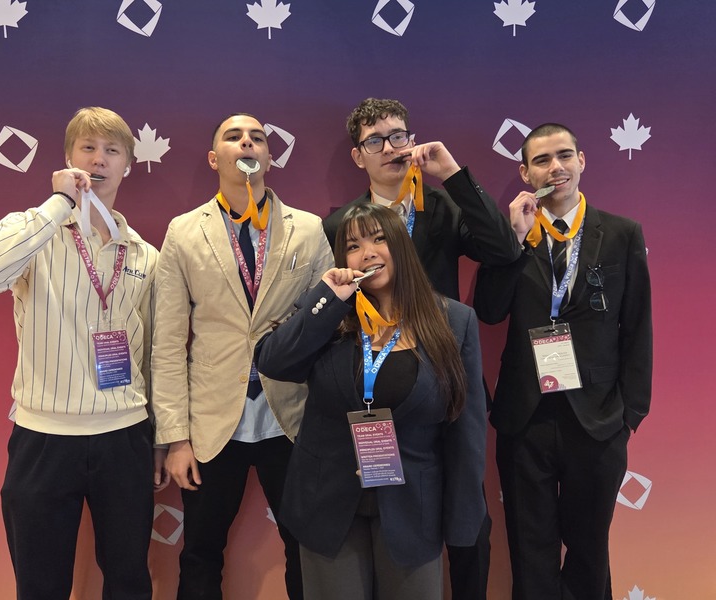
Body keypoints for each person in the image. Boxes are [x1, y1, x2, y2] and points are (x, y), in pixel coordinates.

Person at [0, 106, 167, 599]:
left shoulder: (144, 254)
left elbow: (155, 353)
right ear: (68, 158)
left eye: (112, 151)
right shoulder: (34, 232)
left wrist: (160, 436)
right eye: (88, 148)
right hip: (44, 437)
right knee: (40, 584)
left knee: (128, 580)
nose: (99, 160)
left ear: (127, 165)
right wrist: (58, 202)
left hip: (124, 436)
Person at [323, 97, 521, 599]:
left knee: (468, 516)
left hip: (444, 377)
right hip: (375, 385)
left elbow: (502, 250)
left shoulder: (442, 207)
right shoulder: (341, 224)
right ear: (358, 156)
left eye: (398, 136)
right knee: (392, 519)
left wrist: (452, 174)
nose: (390, 147)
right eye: (375, 140)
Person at [255, 202, 488, 600]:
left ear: (401, 246)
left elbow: (466, 429)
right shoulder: (331, 315)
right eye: (353, 246)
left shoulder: (454, 321)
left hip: (413, 508)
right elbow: (273, 362)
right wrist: (328, 298)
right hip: (327, 506)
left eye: (379, 239)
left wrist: (463, 521)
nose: (367, 253)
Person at [151, 113, 334, 600]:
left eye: (257, 137)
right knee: (200, 552)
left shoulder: (308, 229)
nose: (247, 142)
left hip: (290, 417)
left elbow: (330, 326)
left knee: (307, 549)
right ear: (215, 159)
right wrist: (176, 438)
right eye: (234, 137)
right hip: (212, 424)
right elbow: (167, 343)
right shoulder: (183, 232)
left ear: (269, 158)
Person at [473, 123, 652, 599]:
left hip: (597, 419)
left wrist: (630, 414)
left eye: (564, 156)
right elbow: (489, 310)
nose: (556, 168)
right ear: (525, 172)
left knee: (590, 550)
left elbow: (637, 327)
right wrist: (514, 239)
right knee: (529, 549)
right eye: (542, 160)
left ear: (581, 160)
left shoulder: (621, 234)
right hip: (525, 417)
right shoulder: (515, 233)